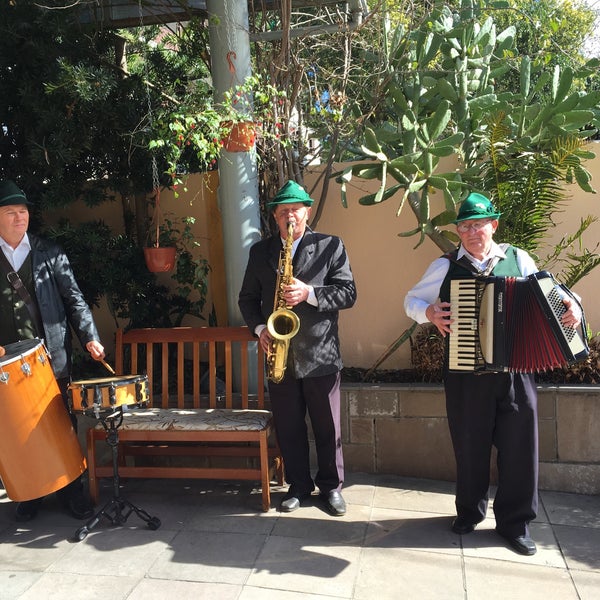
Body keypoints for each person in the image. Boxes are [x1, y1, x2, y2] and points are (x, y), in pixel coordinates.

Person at [404, 192, 582, 556]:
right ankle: (469, 512)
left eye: (479, 225)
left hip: (518, 371)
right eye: (465, 226)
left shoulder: (518, 258)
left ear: (493, 226)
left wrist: (573, 305)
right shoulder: (445, 265)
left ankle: (515, 524)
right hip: (466, 373)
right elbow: (411, 301)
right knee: (469, 446)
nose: (472, 232)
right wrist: (430, 314)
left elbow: (554, 292)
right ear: (458, 231)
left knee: (521, 448)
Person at [238, 180, 357, 516]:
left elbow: (348, 293)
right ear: (275, 217)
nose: (290, 216)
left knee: (327, 426)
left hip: (320, 353)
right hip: (279, 353)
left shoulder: (331, 246)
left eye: (295, 209)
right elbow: (247, 299)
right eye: (283, 211)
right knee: (289, 425)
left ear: (307, 211)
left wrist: (310, 293)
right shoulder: (261, 252)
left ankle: (332, 487)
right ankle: (299, 486)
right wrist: (261, 329)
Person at [0, 179, 106, 522]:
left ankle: (71, 491)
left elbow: (75, 300)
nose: (20, 218)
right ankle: (31, 492)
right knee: (17, 431)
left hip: (51, 357)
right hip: (7, 363)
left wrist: (89, 336)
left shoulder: (50, 253)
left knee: (60, 423)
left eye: (23, 212)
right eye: (11, 212)